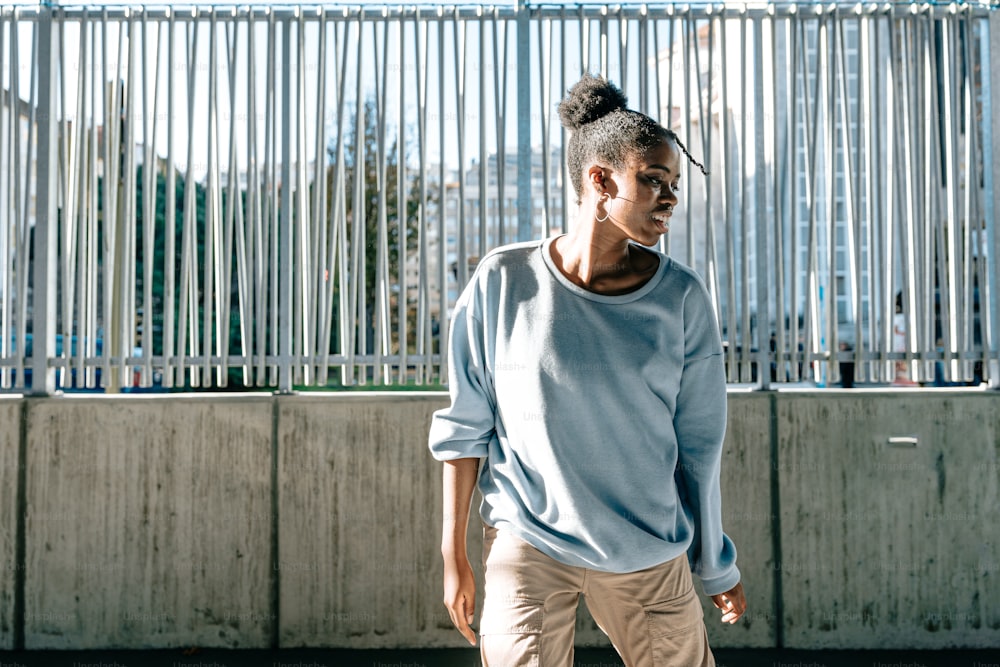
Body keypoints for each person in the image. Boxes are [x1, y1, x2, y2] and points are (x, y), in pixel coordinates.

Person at [428, 73, 746, 667]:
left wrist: (713, 563)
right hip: (529, 542)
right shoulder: (503, 282)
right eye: (653, 180)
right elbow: (465, 427)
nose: (670, 198)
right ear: (599, 180)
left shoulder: (680, 298)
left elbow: (699, 448)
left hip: (647, 551)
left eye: (674, 184)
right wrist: (454, 552)